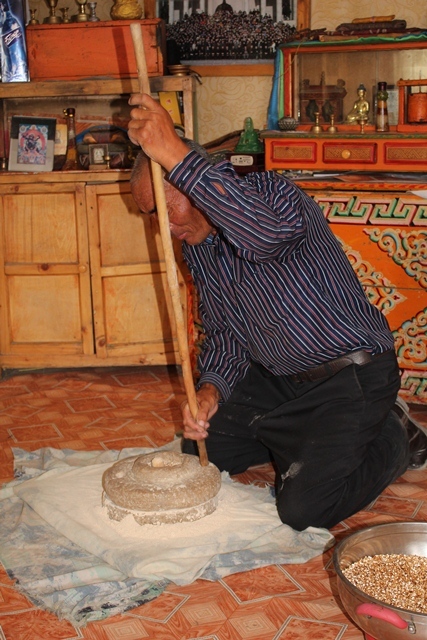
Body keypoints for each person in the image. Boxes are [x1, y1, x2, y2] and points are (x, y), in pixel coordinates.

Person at [128, 93, 427, 531]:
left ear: (192, 183)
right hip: (280, 378)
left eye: (164, 210)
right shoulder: (199, 248)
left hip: (349, 374)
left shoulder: (271, 193)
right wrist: (210, 391)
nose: (163, 229)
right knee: (202, 454)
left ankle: (395, 433)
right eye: (150, 217)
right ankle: (304, 438)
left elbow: (264, 239)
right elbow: (226, 333)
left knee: (304, 510)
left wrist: (172, 151)